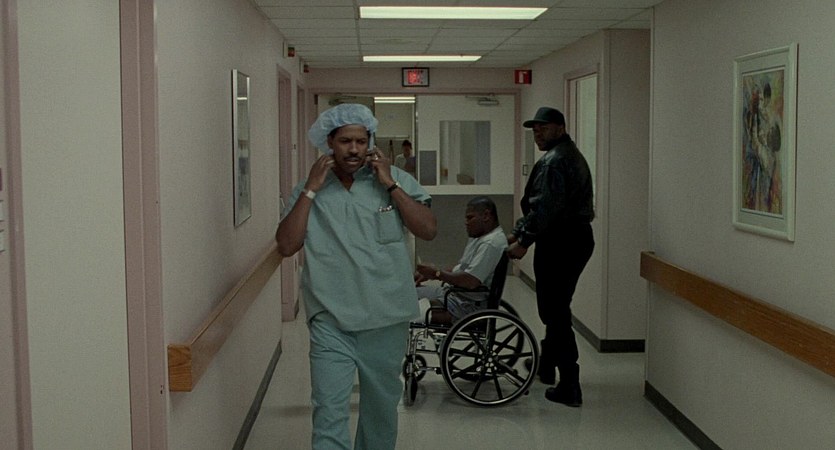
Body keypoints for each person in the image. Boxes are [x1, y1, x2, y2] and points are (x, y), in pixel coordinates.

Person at [275, 103, 437, 449]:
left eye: (361, 141)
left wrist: (390, 184)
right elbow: (287, 245)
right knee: (328, 409)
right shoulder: (311, 189)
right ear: (329, 143)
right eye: (345, 141)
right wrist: (310, 189)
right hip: (331, 319)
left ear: (370, 143)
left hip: (386, 317)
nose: (353, 149)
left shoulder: (396, 180)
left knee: (381, 410)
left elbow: (427, 229)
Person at [507, 106, 594, 407]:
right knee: (556, 308)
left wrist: (523, 240)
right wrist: (518, 232)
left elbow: (546, 207)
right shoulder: (568, 154)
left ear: (560, 127)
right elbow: (544, 206)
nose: (538, 134)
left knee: (555, 312)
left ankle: (569, 384)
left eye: (543, 128)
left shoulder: (555, 161)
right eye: (535, 130)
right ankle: (546, 366)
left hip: (561, 241)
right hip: (573, 238)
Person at [413, 196, 507, 324]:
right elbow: (462, 267)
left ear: (486, 216)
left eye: (470, 218)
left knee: (407, 311)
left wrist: (437, 274)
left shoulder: (491, 243)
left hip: (466, 305)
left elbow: (471, 281)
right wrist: (430, 273)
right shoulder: (479, 237)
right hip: (456, 294)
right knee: (408, 293)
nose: (466, 222)